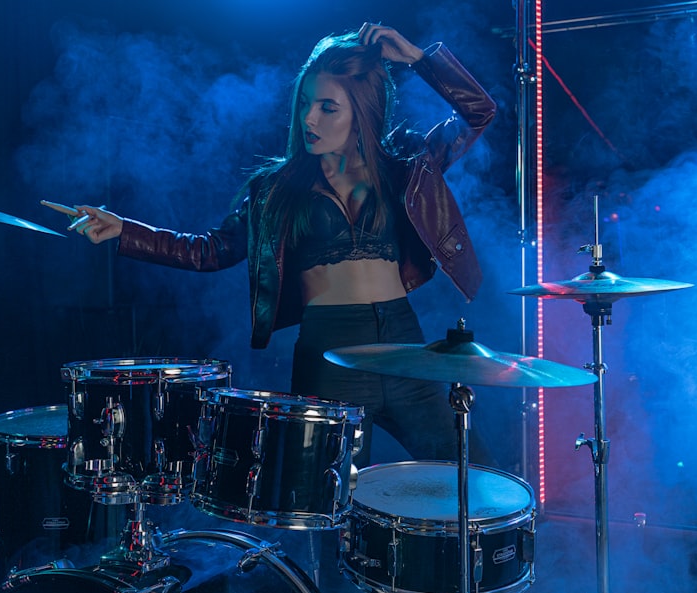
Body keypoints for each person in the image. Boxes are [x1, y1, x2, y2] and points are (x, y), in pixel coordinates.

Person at [65, 22, 496, 469]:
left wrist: (420, 59)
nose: (309, 118)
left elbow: (480, 112)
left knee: (477, 481)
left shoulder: (405, 164)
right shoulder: (276, 188)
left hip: (405, 347)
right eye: (306, 103)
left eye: (328, 107)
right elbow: (210, 250)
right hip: (331, 357)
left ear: (362, 111)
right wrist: (125, 230)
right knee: (328, 510)